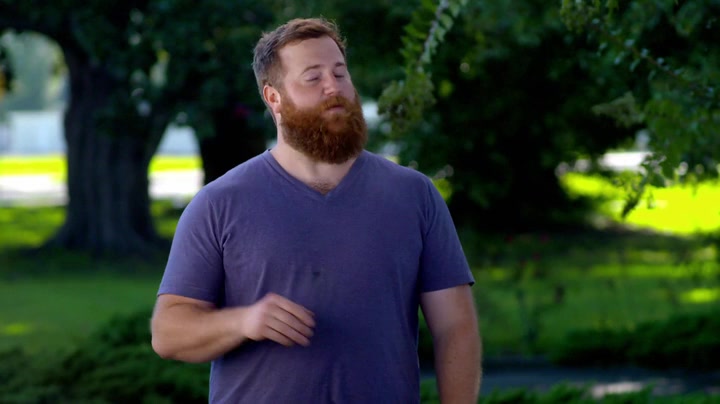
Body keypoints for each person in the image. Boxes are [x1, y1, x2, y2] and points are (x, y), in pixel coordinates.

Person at [151, 17, 482, 403]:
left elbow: (455, 328)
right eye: (313, 78)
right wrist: (243, 321)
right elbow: (168, 333)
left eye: (340, 73)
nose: (334, 87)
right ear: (273, 98)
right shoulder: (219, 203)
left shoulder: (414, 195)